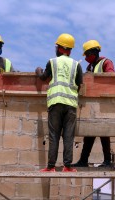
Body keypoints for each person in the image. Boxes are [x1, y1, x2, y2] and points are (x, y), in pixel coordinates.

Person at [35, 33, 83, 172]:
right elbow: (80, 84)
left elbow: (44, 77)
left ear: (61, 48)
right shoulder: (76, 65)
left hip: (56, 103)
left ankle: (51, 167)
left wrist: (38, 71)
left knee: (54, 136)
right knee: (68, 136)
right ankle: (67, 166)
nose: (55, 49)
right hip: (71, 105)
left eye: (57, 46)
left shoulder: (53, 62)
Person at [72, 40, 115, 168]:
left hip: (103, 103)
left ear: (94, 52)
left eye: (87, 54)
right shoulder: (89, 67)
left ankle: (107, 161)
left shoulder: (106, 62)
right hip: (92, 105)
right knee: (89, 133)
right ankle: (83, 160)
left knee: (104, 133)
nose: (85, 58)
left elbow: (111, 79)